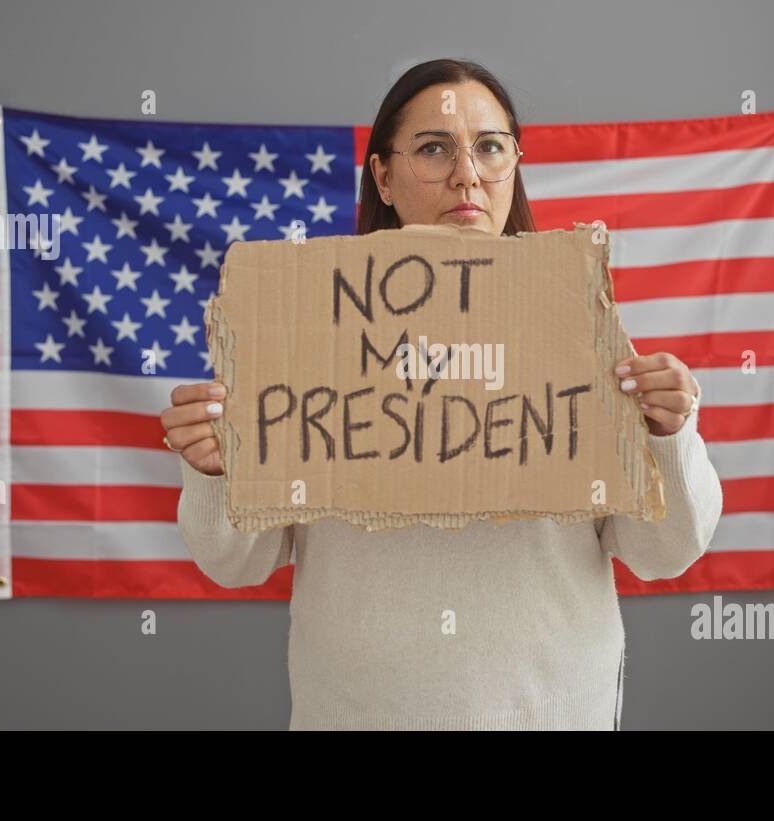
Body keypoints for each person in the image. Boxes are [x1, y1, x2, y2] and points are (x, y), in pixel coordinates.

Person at [160, 58, 724, 730]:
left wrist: (668, 435)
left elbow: (663, 550)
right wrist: (213, 471)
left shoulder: (581, 328)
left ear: (514, 164)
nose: (468, 174)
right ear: (384, 176)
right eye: (435, 148)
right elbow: (238, 562)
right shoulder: (309, 337)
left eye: (489, 147)